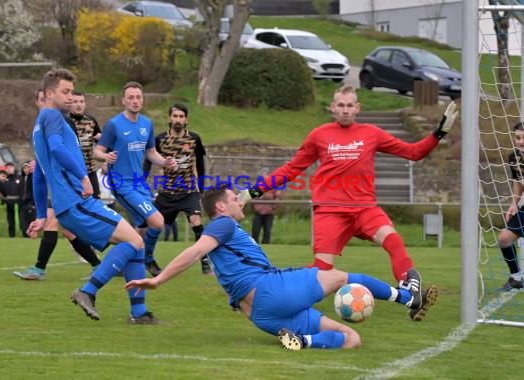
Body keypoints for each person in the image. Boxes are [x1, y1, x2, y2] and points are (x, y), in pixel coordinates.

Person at [125, 185, 438, 351]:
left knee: (351, 339)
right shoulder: (222, 224)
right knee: (341, 276)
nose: (239, 203)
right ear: (221, 207)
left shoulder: (226, 229)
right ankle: (409, 298)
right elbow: (195, 252)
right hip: (271, 292)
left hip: (262, 317)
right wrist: (159, 280)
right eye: (235, 199)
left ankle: (302, 341)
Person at [242, 85, 457, 319]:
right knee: (321, 272)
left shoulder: (372, 133)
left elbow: (414, 152)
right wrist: (253, 192)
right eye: (340, 106)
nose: (345, 110)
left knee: (393, 240)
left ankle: (410, 290)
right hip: (330, 211)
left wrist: (438, 133)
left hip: (365, 208)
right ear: (333, 108)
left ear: (357, 108)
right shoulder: (319, 135)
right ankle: (277, 291)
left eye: (349, 106)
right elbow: (291, 170)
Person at [27, 68, 161, 324]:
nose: (70, 97)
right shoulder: (53, 117)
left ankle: (139, 313)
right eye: (65, 92)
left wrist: (43, 215)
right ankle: (88, 292)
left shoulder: (39, 125)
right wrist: (83, 176)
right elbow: (56, 149)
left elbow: (39, 175)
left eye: (71, 92)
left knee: (135, 243)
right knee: (134, 241)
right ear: (48, 94)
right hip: (77, 203)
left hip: (69, 207)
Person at [13, 89, 102, 281]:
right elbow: (46, 161)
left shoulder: (59, 121)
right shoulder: (41, 125)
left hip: (72, 182)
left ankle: (39, 269)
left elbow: (61, 150)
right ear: (38, 101)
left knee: (62, 222)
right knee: (68, 230)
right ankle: (99, 265)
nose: (72, 100)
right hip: (65, 184)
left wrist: (84, 177)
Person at [95, 82, 177, 278]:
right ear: (123, 100)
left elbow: (150, 152)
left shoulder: (147, 124)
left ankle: (120, 264)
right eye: (130, 97)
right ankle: (147, 259)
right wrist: (105, 157)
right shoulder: (114, 125)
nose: (135, 100)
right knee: (157, 222)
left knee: (140, 229)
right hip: (121, 183)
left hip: (139, 183)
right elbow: (98, 151)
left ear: (142, 99)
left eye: (138, 97)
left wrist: (164, 162)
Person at [143, 103, 211, 275]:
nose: (178, 120)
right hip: (167, 192)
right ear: (169, 118)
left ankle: (205, 263)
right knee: (154, 225)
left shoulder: (194, 139)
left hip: (189, 190)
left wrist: (201, 187)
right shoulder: (160, 139)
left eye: (181, 116)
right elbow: (149, 160)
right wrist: (142, 181)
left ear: (186, 119)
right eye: (175, 116)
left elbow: (200, 163)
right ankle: (148, 260)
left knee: (196, 221)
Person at [497, 122, 524, 290]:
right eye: (518, 137)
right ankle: (516, 277)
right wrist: (514, 204)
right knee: (504, 239)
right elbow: (519, 182)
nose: (521, 141)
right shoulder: (514, 158)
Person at [67, 91, 102, 199]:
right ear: (70, 103)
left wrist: (101, 139)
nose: (79, 104)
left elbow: (100, 141)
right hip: (72, 172)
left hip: (90, 171)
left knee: (96, 203)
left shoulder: (91, 121)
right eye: (75, 101)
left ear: (85, 104)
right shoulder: (64, 121)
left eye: (81, 101)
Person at [251, 168, 282, 244]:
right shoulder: (258, 186)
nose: (263, 176)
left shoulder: (273, 186)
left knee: (267, 232)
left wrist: (273, 207)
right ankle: (254, 246)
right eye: (262, 174)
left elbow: (277, 197)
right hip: (258, 213)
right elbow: (253, 197)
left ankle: (266, 246)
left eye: (265, 174)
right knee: (255, 231)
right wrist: (255, 207)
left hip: (269, 213)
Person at [18, 160, 36, 238]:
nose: (26, 170)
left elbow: (34, 192)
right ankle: (26, 237)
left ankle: (31, 237)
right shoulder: (22, 179)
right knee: (22, 223)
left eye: (28, 168)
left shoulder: (33, 178)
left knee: (30, 222)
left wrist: (33, 204)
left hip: (30, 204)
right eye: (24, 168)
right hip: (23, 204)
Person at [3, 162, 21, 237]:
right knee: (10, 221)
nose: (9, 169)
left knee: (21, 220)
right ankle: (12, 236)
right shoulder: (4, 179)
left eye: (10, 167)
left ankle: (24, 234)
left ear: (14, 168)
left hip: (19, 203)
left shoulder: (19, 177)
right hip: (9, 203)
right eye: (7, 168)